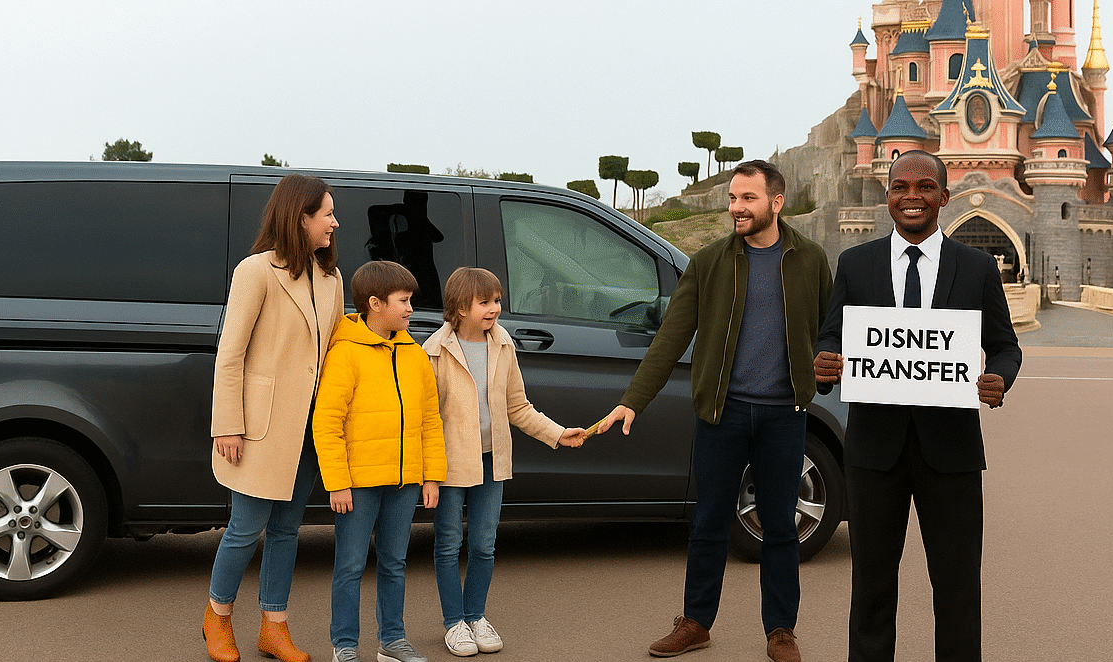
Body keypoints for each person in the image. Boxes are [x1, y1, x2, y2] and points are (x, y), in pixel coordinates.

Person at [597, 160, 833, 662]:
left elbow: (828, 330)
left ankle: (781, 631)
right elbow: (671, 337)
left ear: (776, 201)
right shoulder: (707, 263)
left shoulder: (810, 259)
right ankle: (697, 622)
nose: (736, 208)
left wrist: (826, 370)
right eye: (732, 198)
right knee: (709, 522)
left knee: (780, 526)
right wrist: (632, 401)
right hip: (721, 414)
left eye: (747, 198)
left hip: (783, 415)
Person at [812, 149, 1022, 662]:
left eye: (925, 187)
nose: (912, 196)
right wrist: (824, 361)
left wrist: (1000, 377)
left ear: (944, 198)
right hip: (872, 453)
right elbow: (831, 336)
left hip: (950, 452)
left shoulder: (974, 268)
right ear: (887, 197)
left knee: (956, 590)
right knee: (871, 589)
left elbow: (1005, 344)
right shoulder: (855, 265)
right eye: (901, 187)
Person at [205, 175, 343, 662]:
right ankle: (218, 618)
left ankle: (273, 627)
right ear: (299, 217)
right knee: (245, 528)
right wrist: (227, 423)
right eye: (326, 213)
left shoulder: (331, 278)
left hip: (308, 428)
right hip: (258, 425)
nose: (334, 222)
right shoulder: (255, 271)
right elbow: (230, 353)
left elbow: (333, 352)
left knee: (287, 530)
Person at [423, 267, 589, 657]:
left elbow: (518, 406)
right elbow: (426, 418)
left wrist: (557, 433)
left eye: (497, 300)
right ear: (461, 307)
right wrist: (428, 473)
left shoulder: (503, 345)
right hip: (449, 465)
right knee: (448, 544)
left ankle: (475, 616)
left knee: (484, 544)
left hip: (491, 461)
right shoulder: (433, 351)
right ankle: (453, 624)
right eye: (485, 302)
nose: (495, 309)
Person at [314, 261, 448, 662]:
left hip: (406, 482)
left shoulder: (414, 354)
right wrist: (337, 482)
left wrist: (431, 476)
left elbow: (430, 419)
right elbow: (327, 422)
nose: (411, 309)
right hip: (357, 483)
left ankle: (392, 640)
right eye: (403, 301)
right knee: (350, 566)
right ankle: (345, 646)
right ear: (375, 304)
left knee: (394, 564)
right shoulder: (345, 354)